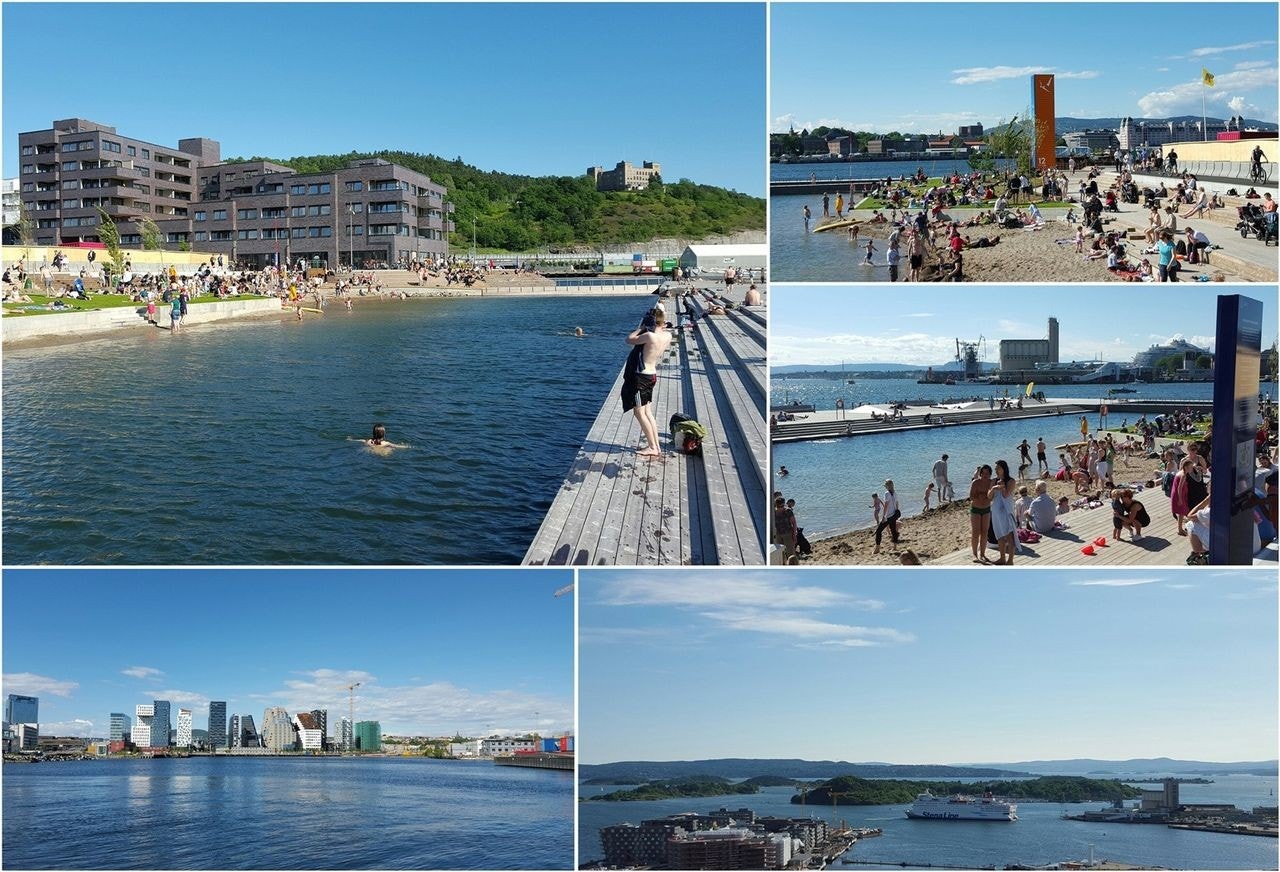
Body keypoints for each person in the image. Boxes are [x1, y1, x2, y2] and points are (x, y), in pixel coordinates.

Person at [621, 308, 672, 458]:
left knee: (639, 412)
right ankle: (655, 444)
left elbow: (629, 339)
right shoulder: (667, 336)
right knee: (647, 412)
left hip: (640, 378)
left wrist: (641, 328)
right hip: (652, 375)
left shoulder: (649, 336)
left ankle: (652, 447)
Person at [989, 460, 1017, 565]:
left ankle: (1010, 560)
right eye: (995, 468)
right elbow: (989, 497)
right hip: (996, 511)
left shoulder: (1011, 481)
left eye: (998, 468)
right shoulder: (993, 481)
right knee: (999, 535)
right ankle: (1002, 558)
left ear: (1004, 469)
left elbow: (1006, 495)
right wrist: (993, 489)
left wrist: (1002, 487)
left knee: (1009, 535)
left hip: (1007, 511)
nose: (996, 470)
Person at [969, 465, 993, 563]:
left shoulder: (991, 483)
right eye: (983, 473)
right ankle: (975, 554)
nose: (985, 475)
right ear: (980, 473)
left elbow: (992, 496)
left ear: (990, 474)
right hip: (976, 509)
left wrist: (986, 497)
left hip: (986, 509)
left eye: (987, 473)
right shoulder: (976, 482)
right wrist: (980, 498)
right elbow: (971, 496)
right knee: (976, 532)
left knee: (985, 532)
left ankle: (982, 554)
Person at [872, 479, 900, 555]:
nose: (885, 487)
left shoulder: (887, 493)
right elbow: (897, 504)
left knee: (878, 531)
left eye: (885, 485)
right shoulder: (895, 493)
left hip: (888, 516)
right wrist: (896, 513)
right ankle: (894, 547)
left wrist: (884, 516)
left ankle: (877, 548)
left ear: (887, 486)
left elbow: (886, 505)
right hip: (894, 515)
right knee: (893, 531)